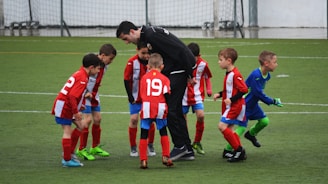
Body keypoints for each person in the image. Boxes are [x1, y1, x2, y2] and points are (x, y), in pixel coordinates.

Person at [116, 21, 197, 161]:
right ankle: (187, 148)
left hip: (179, 70)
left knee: (170, 110)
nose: (127, 42)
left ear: (132, 31)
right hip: (177, 70)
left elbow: (180, 49)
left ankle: (180, 146)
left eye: (126, 39)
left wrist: (190, 72)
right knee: (176, 110)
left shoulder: (151, 35)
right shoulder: (148, 35)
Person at [51, 53, 102, 167]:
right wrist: (76, 111)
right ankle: (67, 159)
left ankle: (70, 153)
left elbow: (76, 94)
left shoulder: (81, 73)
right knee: (67, 131)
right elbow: (72, 96)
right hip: (65, 105)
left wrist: (82, 103)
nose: (99, 71)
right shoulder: (83, 78)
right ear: (91, 67)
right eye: (98, 68)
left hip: (67, 104)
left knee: (81, 126)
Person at [76, 44, 117, 161]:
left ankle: (94, 147)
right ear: (103, 56)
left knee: (98, 119)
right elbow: (82, 76)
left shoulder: (104, 66)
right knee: (87, 120)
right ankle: (81, 149)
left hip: (94, 94)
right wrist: (84, 92)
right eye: (110, 58)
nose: (111, 61)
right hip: (86, 94)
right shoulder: (91, 63)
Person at [138, 53, 173, 169]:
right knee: (163, 131)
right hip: (160, 107)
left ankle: (143, 159)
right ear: (162, 67)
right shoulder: (165, 79)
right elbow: (167, 94)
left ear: (148, 66)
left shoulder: (144, 78)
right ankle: (166, 156)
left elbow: (142, 94)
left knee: (144, 134)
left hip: (147, 107)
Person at [213, 48, 248, 162]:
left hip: (235, 106)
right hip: (231, 105)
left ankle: (238, 150)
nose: (219, 62)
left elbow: (244, 89)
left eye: (220, 59)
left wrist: (231, 100)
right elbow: (230, 89)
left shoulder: (235, 74)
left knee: (222, 126)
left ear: (229, 61)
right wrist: (220, 94)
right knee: (230, 129)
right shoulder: (229, 74)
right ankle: (237, 151)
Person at [243, 50, 283, 147]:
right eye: (275, 62)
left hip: (253, 104)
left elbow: (259, 92)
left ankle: (250, 134)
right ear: (266, 63)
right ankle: (228, 149)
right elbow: (258, 93)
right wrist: (272, 101)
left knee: (264, 121)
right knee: (240, 129)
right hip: (244, 104)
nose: (276, 64)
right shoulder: (256, 75)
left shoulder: (267, 75)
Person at [123, 41, 156, 157]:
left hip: (149, 98)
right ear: (137, 50)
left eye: (148, 53)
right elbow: (126, 80)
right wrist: (130, 96)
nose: (146, 56)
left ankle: (150, 144)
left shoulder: (152, 63)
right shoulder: (131, 63)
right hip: (135, 98)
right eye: (143, 53)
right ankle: (133, 146)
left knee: (150, 120)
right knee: (134, 120)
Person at [182, 42, 212, 155]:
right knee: (182, 119)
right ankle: (185, 143)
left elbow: (207, 77)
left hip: (197, 95)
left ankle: (197, 142)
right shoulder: (182, 62)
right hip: (184, 96)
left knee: (201, 115)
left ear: (199, 55)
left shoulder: (203, 64)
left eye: (194, 57)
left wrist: (208, 88)